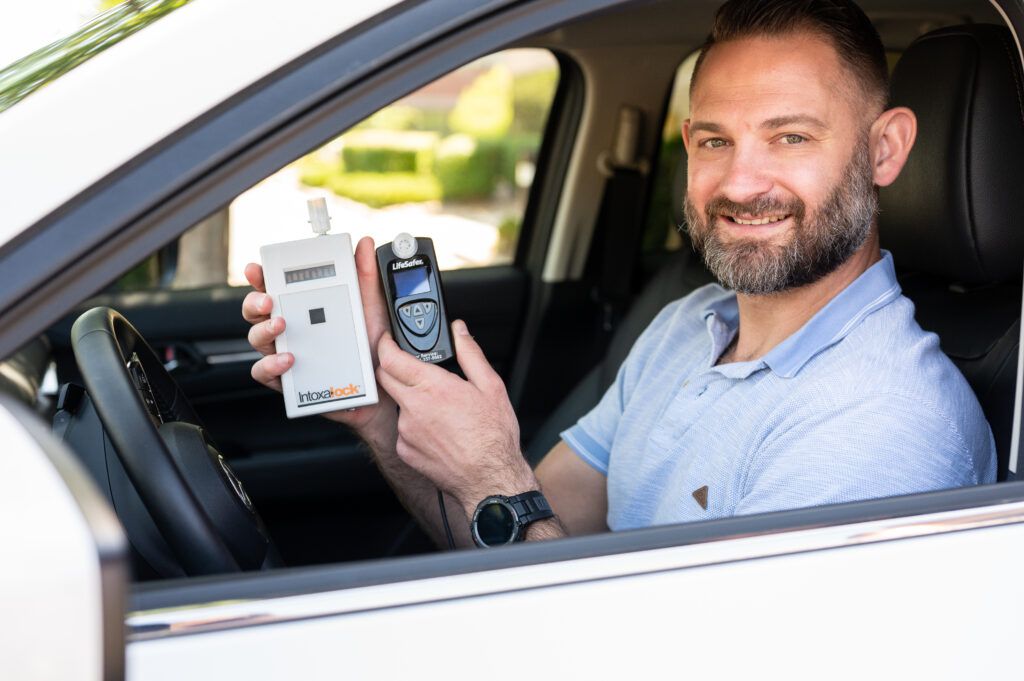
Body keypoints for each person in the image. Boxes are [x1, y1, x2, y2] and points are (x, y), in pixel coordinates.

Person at [242, 0, 996, 547]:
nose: (739, 182)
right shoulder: (687, 325)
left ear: (885, 151)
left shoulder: (883, 425)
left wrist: (493, 478)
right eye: (712, 141)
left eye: (790, 136)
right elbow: (518, 540)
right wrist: (381, 413)